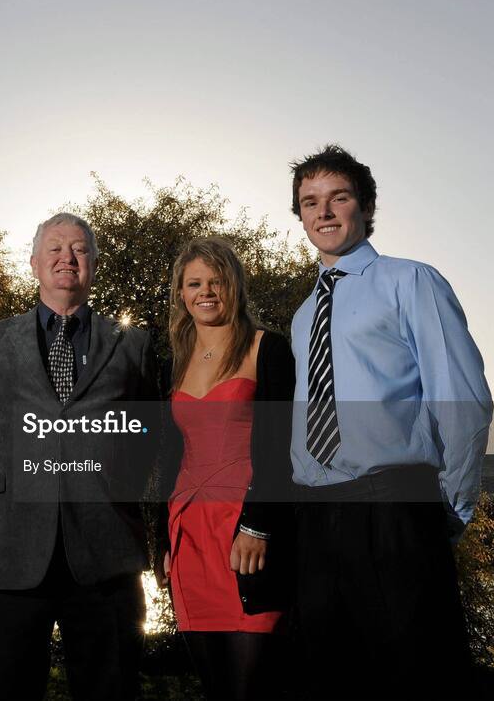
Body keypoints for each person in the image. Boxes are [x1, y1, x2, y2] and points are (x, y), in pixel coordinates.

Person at [287, 145, 493, 700]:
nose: (323, 213)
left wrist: (449, 505)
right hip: (318, 518)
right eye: (310, 203)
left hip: (396, 507)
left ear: (366, 206)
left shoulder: (412, 281)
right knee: (333, 676)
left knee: (416, 674)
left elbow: (463, 398)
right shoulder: (303, 315)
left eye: (339, 198)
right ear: (300, 215)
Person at [0, 212, 158, 700]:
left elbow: (148, 436)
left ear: (93, 264)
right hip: (9, 551)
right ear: (33, 263)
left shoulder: (133, 344)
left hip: (106, 553)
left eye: (79, 249)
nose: (67, 258)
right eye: (55, 248)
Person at [155, 237, 295, 701]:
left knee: (252, 687)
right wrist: (163, 541)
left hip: (246, 533)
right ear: (180, 293)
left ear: (234, 285)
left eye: (216, 281)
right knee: (213, 686)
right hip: (188, 535)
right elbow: (167, 459)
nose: (205, 292)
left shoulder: (268, 349)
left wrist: (259, 526)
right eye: (194, 283)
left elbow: (283, 449)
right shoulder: (172, 363)